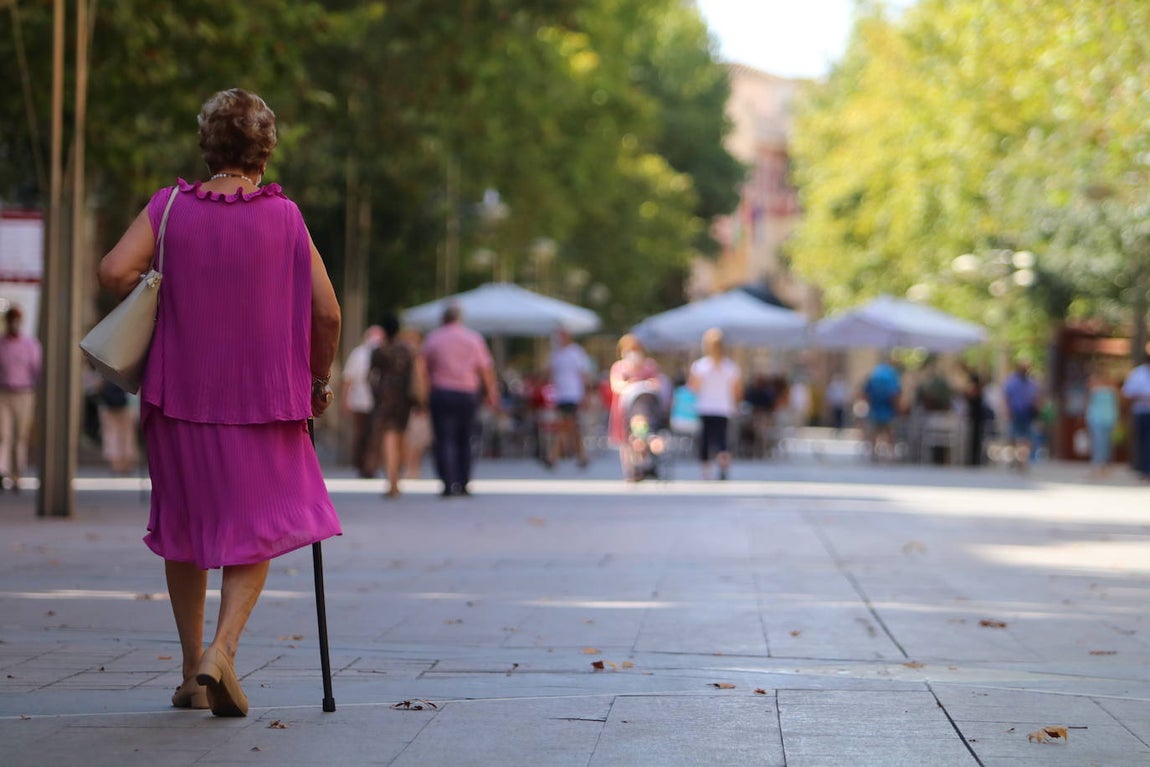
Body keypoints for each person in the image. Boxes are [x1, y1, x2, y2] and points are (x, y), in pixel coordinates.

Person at [97, 88, 342, 717]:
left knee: (184, 529)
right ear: (265, 149)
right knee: (252, 528)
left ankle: (188, 671)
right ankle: (222, 651)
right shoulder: (285, 217)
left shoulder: (170, 207)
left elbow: (113, 272)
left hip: (178, 394)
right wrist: (318, 381)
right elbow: (326, 311)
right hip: (266, 397)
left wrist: (168, 280)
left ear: (207, 145)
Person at [422, 304, 499, 497]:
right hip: (467, 393)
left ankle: (447, 483)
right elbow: (485, 369)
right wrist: (491, 393)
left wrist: (423, 394)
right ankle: (463, 482)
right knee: (465, 438)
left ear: (443, 318)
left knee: (443, 438)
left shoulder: (434, 338)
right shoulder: (473, 338)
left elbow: (423, 369)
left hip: (441, 392)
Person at [369, 313, 427, 498]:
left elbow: (370, 377)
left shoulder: (379, 351)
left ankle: (392, 480)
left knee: (388, 439)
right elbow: (417, 375)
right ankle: (397, 477)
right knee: (401, 437)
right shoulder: (408, 351)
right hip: (404, 400)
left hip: (385, 400)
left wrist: (375, 395)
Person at [688, 328, 743, 480]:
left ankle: (706, 472)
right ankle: (723, 463)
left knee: (705, 439)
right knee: (722, 439)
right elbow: (737, 391)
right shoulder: (731, 367)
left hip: (705, 407)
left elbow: (693, 388)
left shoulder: (700, 366)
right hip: (724, 408)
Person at [608, 334, 662, 481]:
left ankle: (643, 464)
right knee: (625, 440)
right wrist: (631, 384)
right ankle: (629, 469)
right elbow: (616, 385)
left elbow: (657, 383)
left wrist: (646, 384)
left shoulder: (649, 365)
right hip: (625, 408)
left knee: (641, 433)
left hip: (645, 407)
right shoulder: (619, 367)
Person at [0, 305, 42, 491]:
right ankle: (3, 471)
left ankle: (17, 474)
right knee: (3, 434)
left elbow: (37, 369)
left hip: (24, 393)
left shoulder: (30, 344)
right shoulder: (1, 344)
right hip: (4, 393)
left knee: (20, 436)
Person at [544, 328, 593, 469]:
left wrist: (586, 394)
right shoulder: (556, 354)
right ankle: (582, 455)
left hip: (573, 394)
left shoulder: (576, 352)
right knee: (570, 426)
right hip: (560, 395)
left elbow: (584, 374)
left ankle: (553, 456)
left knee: (565, 425)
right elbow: (551, 373)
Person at [341, 325, 384, 478]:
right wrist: (345, 399)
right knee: (363, 435)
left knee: (371, 435)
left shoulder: (376, 353)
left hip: (374, 402)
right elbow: (348, 379)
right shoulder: (359, 354)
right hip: (361, 401)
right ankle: (363, 465)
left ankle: (370, 466)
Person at [399, 328, 432, 479]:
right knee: (414, 437)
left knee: (411, 436)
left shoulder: (401, 359)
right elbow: (423, 383)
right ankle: (411, 467)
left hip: (407, 403)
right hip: (415, 403)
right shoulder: (418, 360)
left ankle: (410, 466)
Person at [1003, 361, 1041, 471]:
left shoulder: (1031, 383)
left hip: (1027, 413)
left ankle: (1022, 461)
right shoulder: (1012, 382)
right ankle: (1016, 459)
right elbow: (1007, 397)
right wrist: (1007, 410)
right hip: (1016, 412)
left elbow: (1036, 398)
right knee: (1014, 437)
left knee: (1026, 438)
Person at [863, 356, 902, 461]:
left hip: (875, 408)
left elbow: (866, 392)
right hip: (888, 409)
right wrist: (897, 408)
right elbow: (894, 394)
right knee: (889, 432)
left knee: (874, 432)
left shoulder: (875, 373)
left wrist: (870, 403)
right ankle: (890, 454)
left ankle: (873, 454)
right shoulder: (891, 375)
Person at [98, 380, 138, 473]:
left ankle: (115, 464)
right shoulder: (129, 369)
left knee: (111, 434)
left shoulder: (104, 372)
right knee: (128, 435)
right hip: (128, 405)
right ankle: (127, 463)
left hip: (108, 406)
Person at [1085, 369, 1119, 479]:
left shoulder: (1112, 388)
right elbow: (1089, 404)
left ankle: (1104, 465)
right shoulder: (1094, 389)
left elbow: (1116, 404)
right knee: (1098, 443)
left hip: (1109, 418)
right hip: (1097, 418)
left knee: (1106, 443)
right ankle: (1097, 465)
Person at [1121, 355, 1150, 480]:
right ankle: (1143, 469)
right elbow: (1127, 393)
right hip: (1141, 412)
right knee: (1142, 441)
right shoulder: (1137, 373)